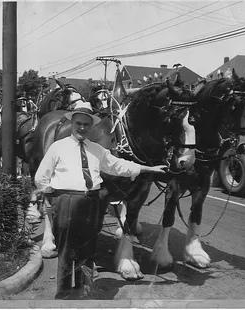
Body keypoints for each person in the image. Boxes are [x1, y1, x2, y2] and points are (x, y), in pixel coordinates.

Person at [32, 101, 168, 300]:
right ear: (73, 123)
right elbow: (41, 177)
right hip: (67, 202)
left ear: (90, 126)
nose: (82, 128)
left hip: (92, 203)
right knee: (67, 252)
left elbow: (118, 166)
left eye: (86, 125)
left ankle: (83, 292)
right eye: (78, 123)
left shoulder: (97, 150)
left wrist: (149, 169)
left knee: (87, 252)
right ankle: (63, 295)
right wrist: (55, 197)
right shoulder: (57, 148)